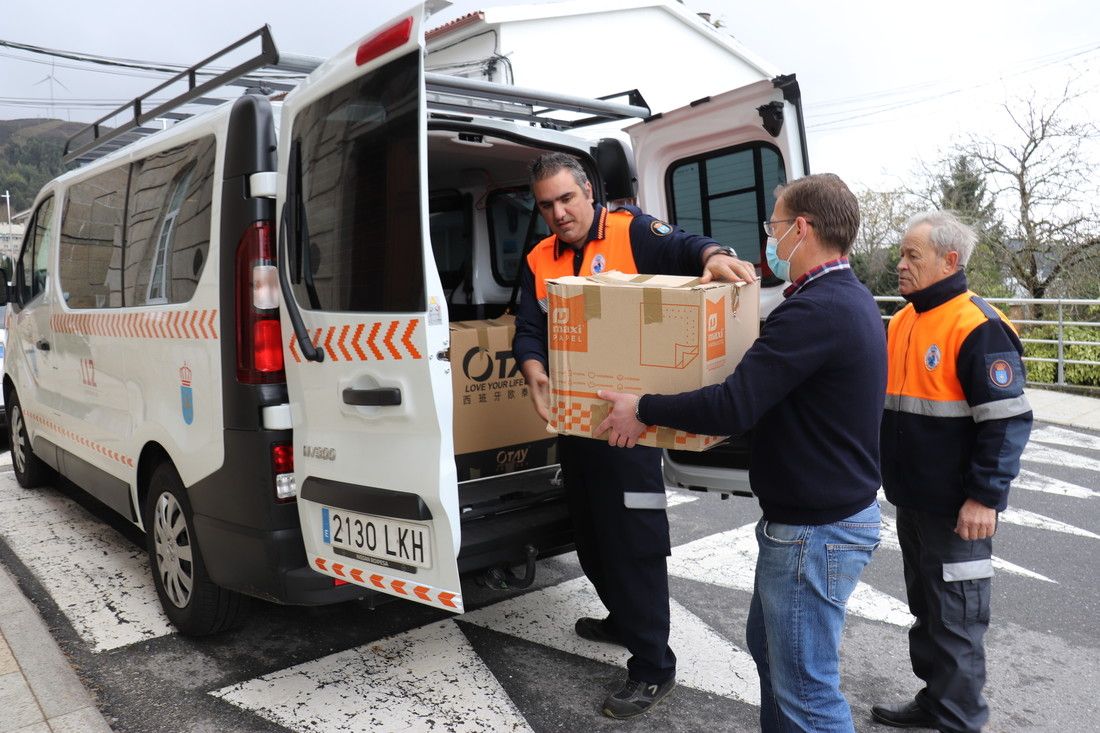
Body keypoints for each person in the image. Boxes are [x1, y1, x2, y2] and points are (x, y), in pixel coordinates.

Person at [597, 173, 885, 732]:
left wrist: (645, 407)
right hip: (817, 522)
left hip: (814, 532)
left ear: (802, 228)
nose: (769, 238)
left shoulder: (815, 312)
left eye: (774, 225)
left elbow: (733, 407)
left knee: (807, 692)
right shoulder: (845, 298)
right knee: (774, 657)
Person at [512, 151, 755, 719]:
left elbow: (687, 246)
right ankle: (623, 620)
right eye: (547, 204)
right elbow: (528, 327)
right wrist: (533, 367)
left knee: (633, 546)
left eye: (566, 199)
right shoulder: (538, 259)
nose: (558, 213)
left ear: (589, 192)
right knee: (593, 538)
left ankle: (653, 668)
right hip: (577, 426)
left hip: (631, 428)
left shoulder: (632, 231)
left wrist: (716, 256)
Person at [871, 211, 1032, 733]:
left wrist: (985, 498)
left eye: (912, 255)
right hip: (913, 501)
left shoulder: (978, 325)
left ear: (950, 260)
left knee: (958, 621)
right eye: (902, 253)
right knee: (928, 609)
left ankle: (960, 720)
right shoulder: (905, 321)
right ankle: (936, 701)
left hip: (959, 509)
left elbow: (1006, 423)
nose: (900, 264)